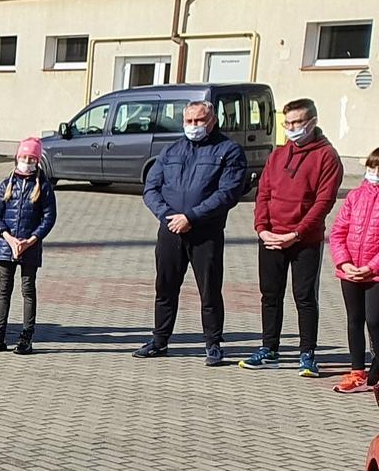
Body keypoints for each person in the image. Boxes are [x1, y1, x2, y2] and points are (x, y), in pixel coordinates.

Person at [136, 100, 250, 365]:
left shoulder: (228, 151)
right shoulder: (172, 151)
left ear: (212, 121)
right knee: (165, 288)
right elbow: (151, 187)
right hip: (170, 231)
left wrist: (192, 217)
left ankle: (213, 344)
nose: (193, 126)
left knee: (209, 290)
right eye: (188, 121)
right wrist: (168, 217)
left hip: (205, 232)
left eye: (199, 121)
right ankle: (160, 340)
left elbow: (227, 193)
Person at [241, 98, 342, 375]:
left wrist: (296, 233)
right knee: (270, 295)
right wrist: (262, 229)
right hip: (271, 237)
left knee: (304, 296)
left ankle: (307, 353)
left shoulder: (327, 156)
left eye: (297, 122)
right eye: (287, 123)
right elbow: (263, 193)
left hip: (304, 240)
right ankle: (269, 348)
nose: (291, 128)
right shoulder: (278, 155)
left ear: (312, 122)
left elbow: (324, 202)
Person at [0, 139, 59, 355]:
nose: (27, 161)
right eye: (24, 157)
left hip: (30, 247)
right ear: (17, 158)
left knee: (28, 290)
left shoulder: (43, 186)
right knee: (4, 290)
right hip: (7, 246)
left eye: (32, 159)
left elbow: (48, 217)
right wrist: (8, 238)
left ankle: (27, 337)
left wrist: (31, 240)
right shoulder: (7, 183)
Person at [331, 149, 379, 394]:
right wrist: (344, 263)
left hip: (374, 274)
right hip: (350, 271)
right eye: (371, 169)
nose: (374, 174)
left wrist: (370, 267)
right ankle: (356, 371)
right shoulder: (355, 196)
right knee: (354, 320)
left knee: (375, 320)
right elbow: (338, 232)